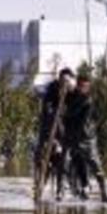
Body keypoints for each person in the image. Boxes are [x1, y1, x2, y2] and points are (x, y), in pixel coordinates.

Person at [63, 72, 107, 203]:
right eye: (80, 86)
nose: (82, 88)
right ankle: (80, 189)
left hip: (86, 138)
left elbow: (74, 115)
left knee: (95, 165)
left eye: (85, 86)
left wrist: (67, 114)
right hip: (73, 137)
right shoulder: (71, 96)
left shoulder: (87, 101)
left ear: (88, 87)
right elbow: (64, 102)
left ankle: (104, 194)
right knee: (74, 163)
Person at [36, 68, 75, 200]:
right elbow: (47, 113)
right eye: (63, 81)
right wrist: (52, 139)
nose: (65, 84)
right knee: (43, 160)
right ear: (59, 80)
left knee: (63, 161)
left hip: (65, 132)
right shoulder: (51, 90)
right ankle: (40, 186)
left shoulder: (72, 93)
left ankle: (61, 189)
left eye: (68, 82)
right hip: (49, 130)